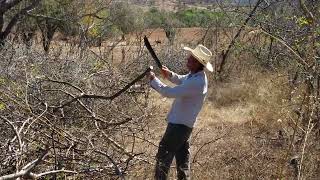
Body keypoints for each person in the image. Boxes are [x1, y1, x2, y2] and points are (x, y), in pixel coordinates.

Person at [148, 44, 213, 180]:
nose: (188, 59)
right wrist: (169, 74)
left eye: (192, 59)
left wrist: (154, 80)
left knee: (163, 157)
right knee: (183, 160)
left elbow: (169, 92)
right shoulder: (195, 76)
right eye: (190, 57)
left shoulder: (197, 82)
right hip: (184, 126)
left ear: (198, 64)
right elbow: (180, 79)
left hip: (178, 127)